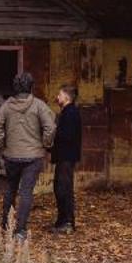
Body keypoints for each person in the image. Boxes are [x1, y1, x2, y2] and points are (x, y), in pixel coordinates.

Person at [0, 71, 56, 239]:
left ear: (15, 87)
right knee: (26, 192)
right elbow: (51, 127)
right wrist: (46, 144)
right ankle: (19, 230)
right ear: (31, 86)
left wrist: (3, 145)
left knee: (11, 189)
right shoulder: (39, 105)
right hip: (33, 157)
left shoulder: (6, 106)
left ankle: (5, 224)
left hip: (11, 156)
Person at [50, 83, 81, 233]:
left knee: (64, 189)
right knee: (59, 188)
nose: (57, 97)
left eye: (60, 95)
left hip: (66, 157)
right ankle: (63, 220)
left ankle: (67, 222)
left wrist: (53, 136)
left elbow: (67, 136)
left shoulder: (70, 113)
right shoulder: (68, 112)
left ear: (67, 97)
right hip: (64, 156)